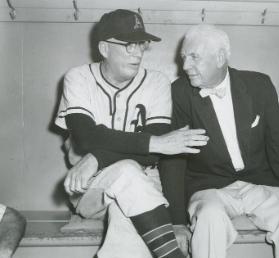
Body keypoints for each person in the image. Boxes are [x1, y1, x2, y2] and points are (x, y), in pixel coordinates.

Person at [55, 9, 207, 258]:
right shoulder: (78, 77)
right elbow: (86, 138)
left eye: (141, 44)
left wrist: (96, 158)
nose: (137, 53)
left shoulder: (156, 82)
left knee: (127, 215)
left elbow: (151, 156)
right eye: (128, 45)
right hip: (91, 188)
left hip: (145, 188)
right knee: (127, 170)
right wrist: (155, 143)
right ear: (104, 48)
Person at [160, 24, 279, 258]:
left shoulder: (259, 86)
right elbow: (174, 160)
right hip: (209, 187)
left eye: (194, 57)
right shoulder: (179, 92)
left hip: (260, 183)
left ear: (220, 57)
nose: (185, 66)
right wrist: (178, 221)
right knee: (210, 219)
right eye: (183, 58)